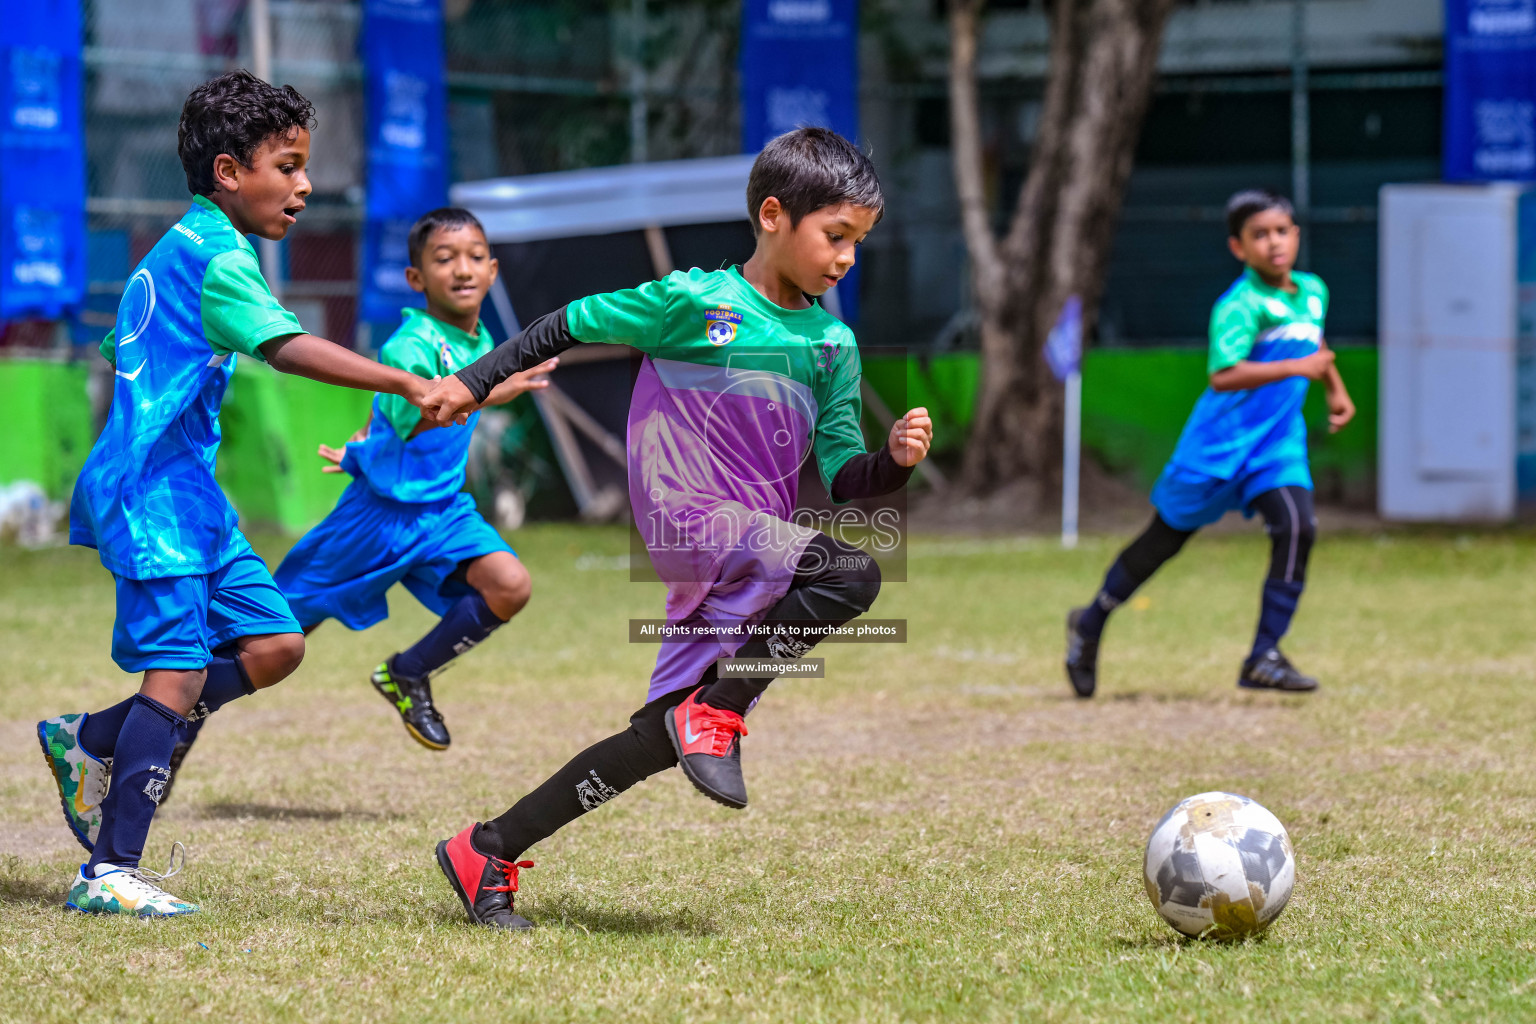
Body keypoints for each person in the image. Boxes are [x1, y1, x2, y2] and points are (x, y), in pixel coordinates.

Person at [418, 126, 934, 929]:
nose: (845, 260)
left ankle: (486, 848)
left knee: (658, 737)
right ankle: (719, 712)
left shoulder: (833, 344)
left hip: (752, 548)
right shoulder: (693, 303)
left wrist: (893, 463)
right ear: (773, 215)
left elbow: (842, 479)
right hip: (689, 518)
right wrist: (473, 378)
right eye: (836, 237)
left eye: (858, 243)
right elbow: (566, 321)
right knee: (853, 576)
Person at [36, 70, 433, 918]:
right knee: (176, 674)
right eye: (286, 166)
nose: (304, 185)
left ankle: (96, 737)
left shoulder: (174, 247)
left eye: (303, 167)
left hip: (191, 498)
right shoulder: (218, 257)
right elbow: (286, 347)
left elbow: (125, 351)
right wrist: (401, 379)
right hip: (156, 499)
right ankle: (108, 872)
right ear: (228, 171)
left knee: (276, 645)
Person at [271, 207, 556, 749]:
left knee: (509, 585)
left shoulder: (478, 339)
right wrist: (504, 386)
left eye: (475, 257)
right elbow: (432, 408)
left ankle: (409, 673)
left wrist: (368, 434)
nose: (463, 270)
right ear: (416, 279)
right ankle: (178, 718)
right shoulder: (410, 344)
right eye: (445, 259)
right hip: (377, 517)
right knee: (273, 639)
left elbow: (399, 415)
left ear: (493, 271)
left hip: (443, 511)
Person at [1065, 189, 1355, 698]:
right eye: (1259, 235)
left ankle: (1264, 654)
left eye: (1281, 231)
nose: (1273, 243)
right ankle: (1089, 623)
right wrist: (1297, 369)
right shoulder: (1239, 305)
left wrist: (1335, 391)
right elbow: (1223, 376)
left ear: (1297, 235)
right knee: (1162, 543)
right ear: (1238, 248)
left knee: (1298, 526)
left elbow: (1317, 347)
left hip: (1275, 448)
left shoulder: (1312, 291)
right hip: (1218, 448)